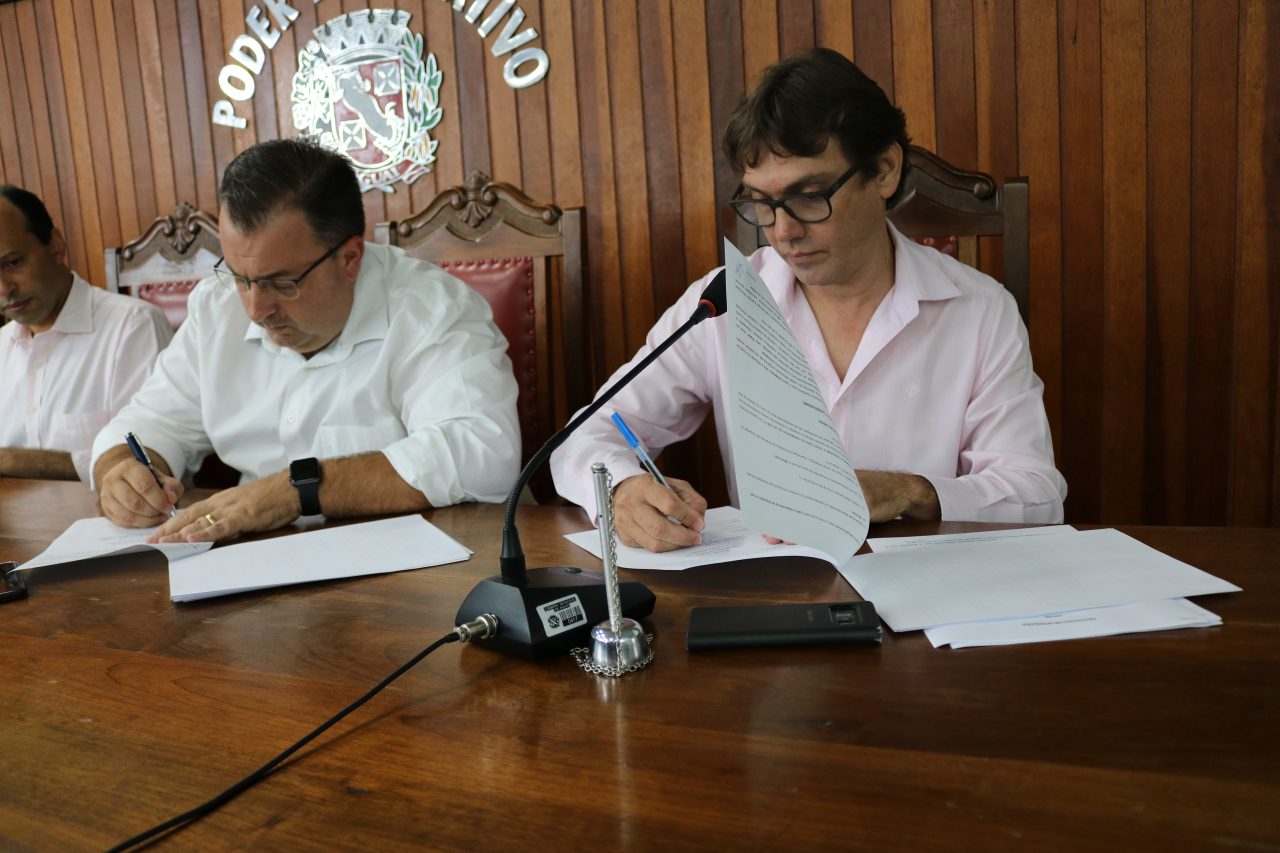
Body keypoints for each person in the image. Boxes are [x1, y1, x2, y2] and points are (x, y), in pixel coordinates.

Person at [551, 48, 1067, 552]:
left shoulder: (980, 310)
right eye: (762, 203)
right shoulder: (723, 304)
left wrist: (910, 492)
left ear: (885, 169)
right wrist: (622, 488)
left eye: (808, 196)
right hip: (774, 588)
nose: (783, 231)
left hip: (930, 589)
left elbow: (1037, 495)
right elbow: (584, 436)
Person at [91, 139, 520, 543]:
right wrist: (122, 471)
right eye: (240, 278)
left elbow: (482, 452)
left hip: (414, 566)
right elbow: (150, 422)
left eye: (282, 283)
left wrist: (297, 490)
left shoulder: (432, 309)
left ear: (349, 258)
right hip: (254, 565)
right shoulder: (215, 307)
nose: (255, 310)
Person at [0, 185, 173, 482]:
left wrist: (14, 461)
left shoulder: (133, 326)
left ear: (56, 246)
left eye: (13, 263)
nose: (4, 289)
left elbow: (148, 459)